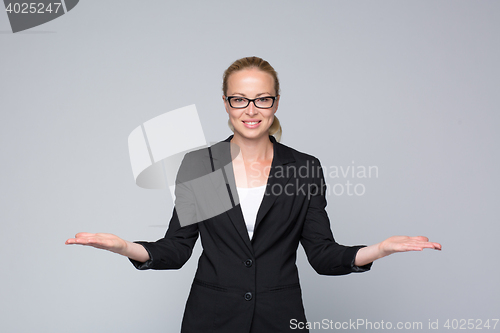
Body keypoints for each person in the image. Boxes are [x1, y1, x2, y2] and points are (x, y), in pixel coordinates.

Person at [66, 56, 441, 332]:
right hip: (211, 320)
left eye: (262, 99)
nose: (251, 110)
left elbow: (323, 256)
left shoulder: (301, 168)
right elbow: (178, 248)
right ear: (226, 104)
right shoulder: (205, 166)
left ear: (275, 103)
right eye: (239, 99)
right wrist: (126, 248)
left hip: (280, 320)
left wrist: (379, 250)